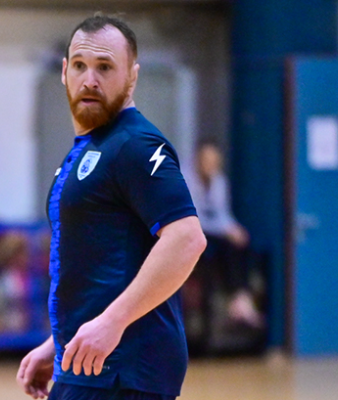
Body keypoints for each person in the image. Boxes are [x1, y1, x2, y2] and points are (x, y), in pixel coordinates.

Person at [17, 14, 206, 400]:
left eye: (104, 67)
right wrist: (59, 342)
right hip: (89, 368)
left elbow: (186, 239)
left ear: (132, 76)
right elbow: (101, 268)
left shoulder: (135, 145)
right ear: (64, 72)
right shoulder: (92, 148)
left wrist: (112, 322)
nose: (90, 79)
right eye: (80, 66)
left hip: (124, 373)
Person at [188, 138, 263, 329]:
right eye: (206, 160)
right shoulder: (185, 180)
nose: (210, 165)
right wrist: (225, 230)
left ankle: (240, 298)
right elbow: (194, 216)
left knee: (241, 244)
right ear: (198, 160)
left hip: (214, 235)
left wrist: (234, 229)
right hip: (193, 234)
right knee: (224, 247)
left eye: (214, 161)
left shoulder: (219, 181)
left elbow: (222, 213)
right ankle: (238, 300)